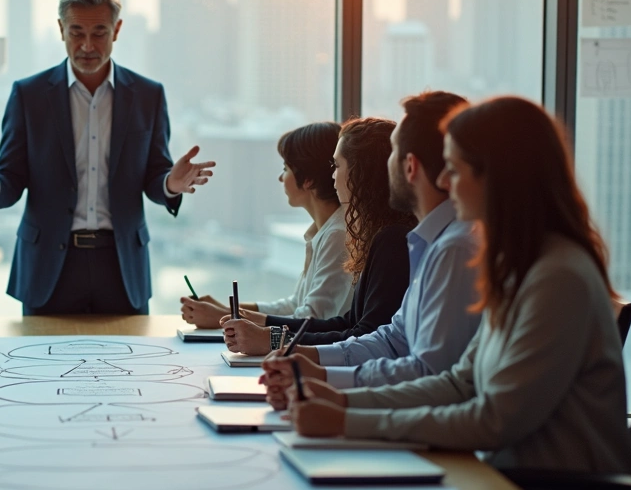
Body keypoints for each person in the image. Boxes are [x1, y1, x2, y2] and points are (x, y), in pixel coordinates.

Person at [274, 96, 631, 490]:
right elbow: (458, 382)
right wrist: (340, 400)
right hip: (511, 485)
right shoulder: (515, 266)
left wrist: (345, 419)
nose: (444, 180)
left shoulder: (557, 277)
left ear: (498, 178)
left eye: (455, 167)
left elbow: (492, 419)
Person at [0, 0, 215, 315]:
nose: (87, 45)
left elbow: (155, 176)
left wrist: (172, 184)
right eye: (76, 32)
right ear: (61, 29)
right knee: (40, 366)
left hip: (121, 265)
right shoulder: (29, 95)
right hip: (49, 267)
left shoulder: (148, 95)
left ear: (117, 30)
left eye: (99, 32)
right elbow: (12, 176)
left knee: (130, 366)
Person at [240, 91, 482, 402]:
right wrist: (304, 360)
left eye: (392, 153)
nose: (386, 165)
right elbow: (390, 339)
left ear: (410, 166)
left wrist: (329, 390)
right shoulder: (424, 242)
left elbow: (423, 371)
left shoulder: (444, 246)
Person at [222, 117, 416, 355]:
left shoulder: (392, 240)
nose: (332, 175)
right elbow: (347, 323)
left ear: (360, 173)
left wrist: (273, 339)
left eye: (337, 166)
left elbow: (363, 336)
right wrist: (265, 326)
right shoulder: (380, 234)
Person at [181, 122, 351, 331]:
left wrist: (222, 316)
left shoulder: (337, 235)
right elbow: (294, 305)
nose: (281, 178)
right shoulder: (323, 231)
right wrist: (226, 309)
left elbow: (309, 318)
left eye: (285, 168)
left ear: (307, 179)